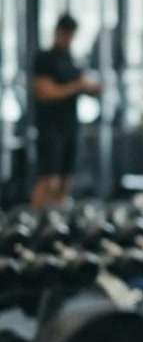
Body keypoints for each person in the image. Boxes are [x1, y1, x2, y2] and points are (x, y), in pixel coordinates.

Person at [31, 14, 101, 209]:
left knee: (66, 180)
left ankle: (55, 222)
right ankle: (34, 223)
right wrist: (77, 86)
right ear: (59, 32)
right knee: (48, 180)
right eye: (68, 34)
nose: (70, 39)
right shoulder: (44, 58)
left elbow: (82, 87)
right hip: (50, 127)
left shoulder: (71, 59)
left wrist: (92, 88)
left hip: (71, 125)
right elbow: (45, 93)